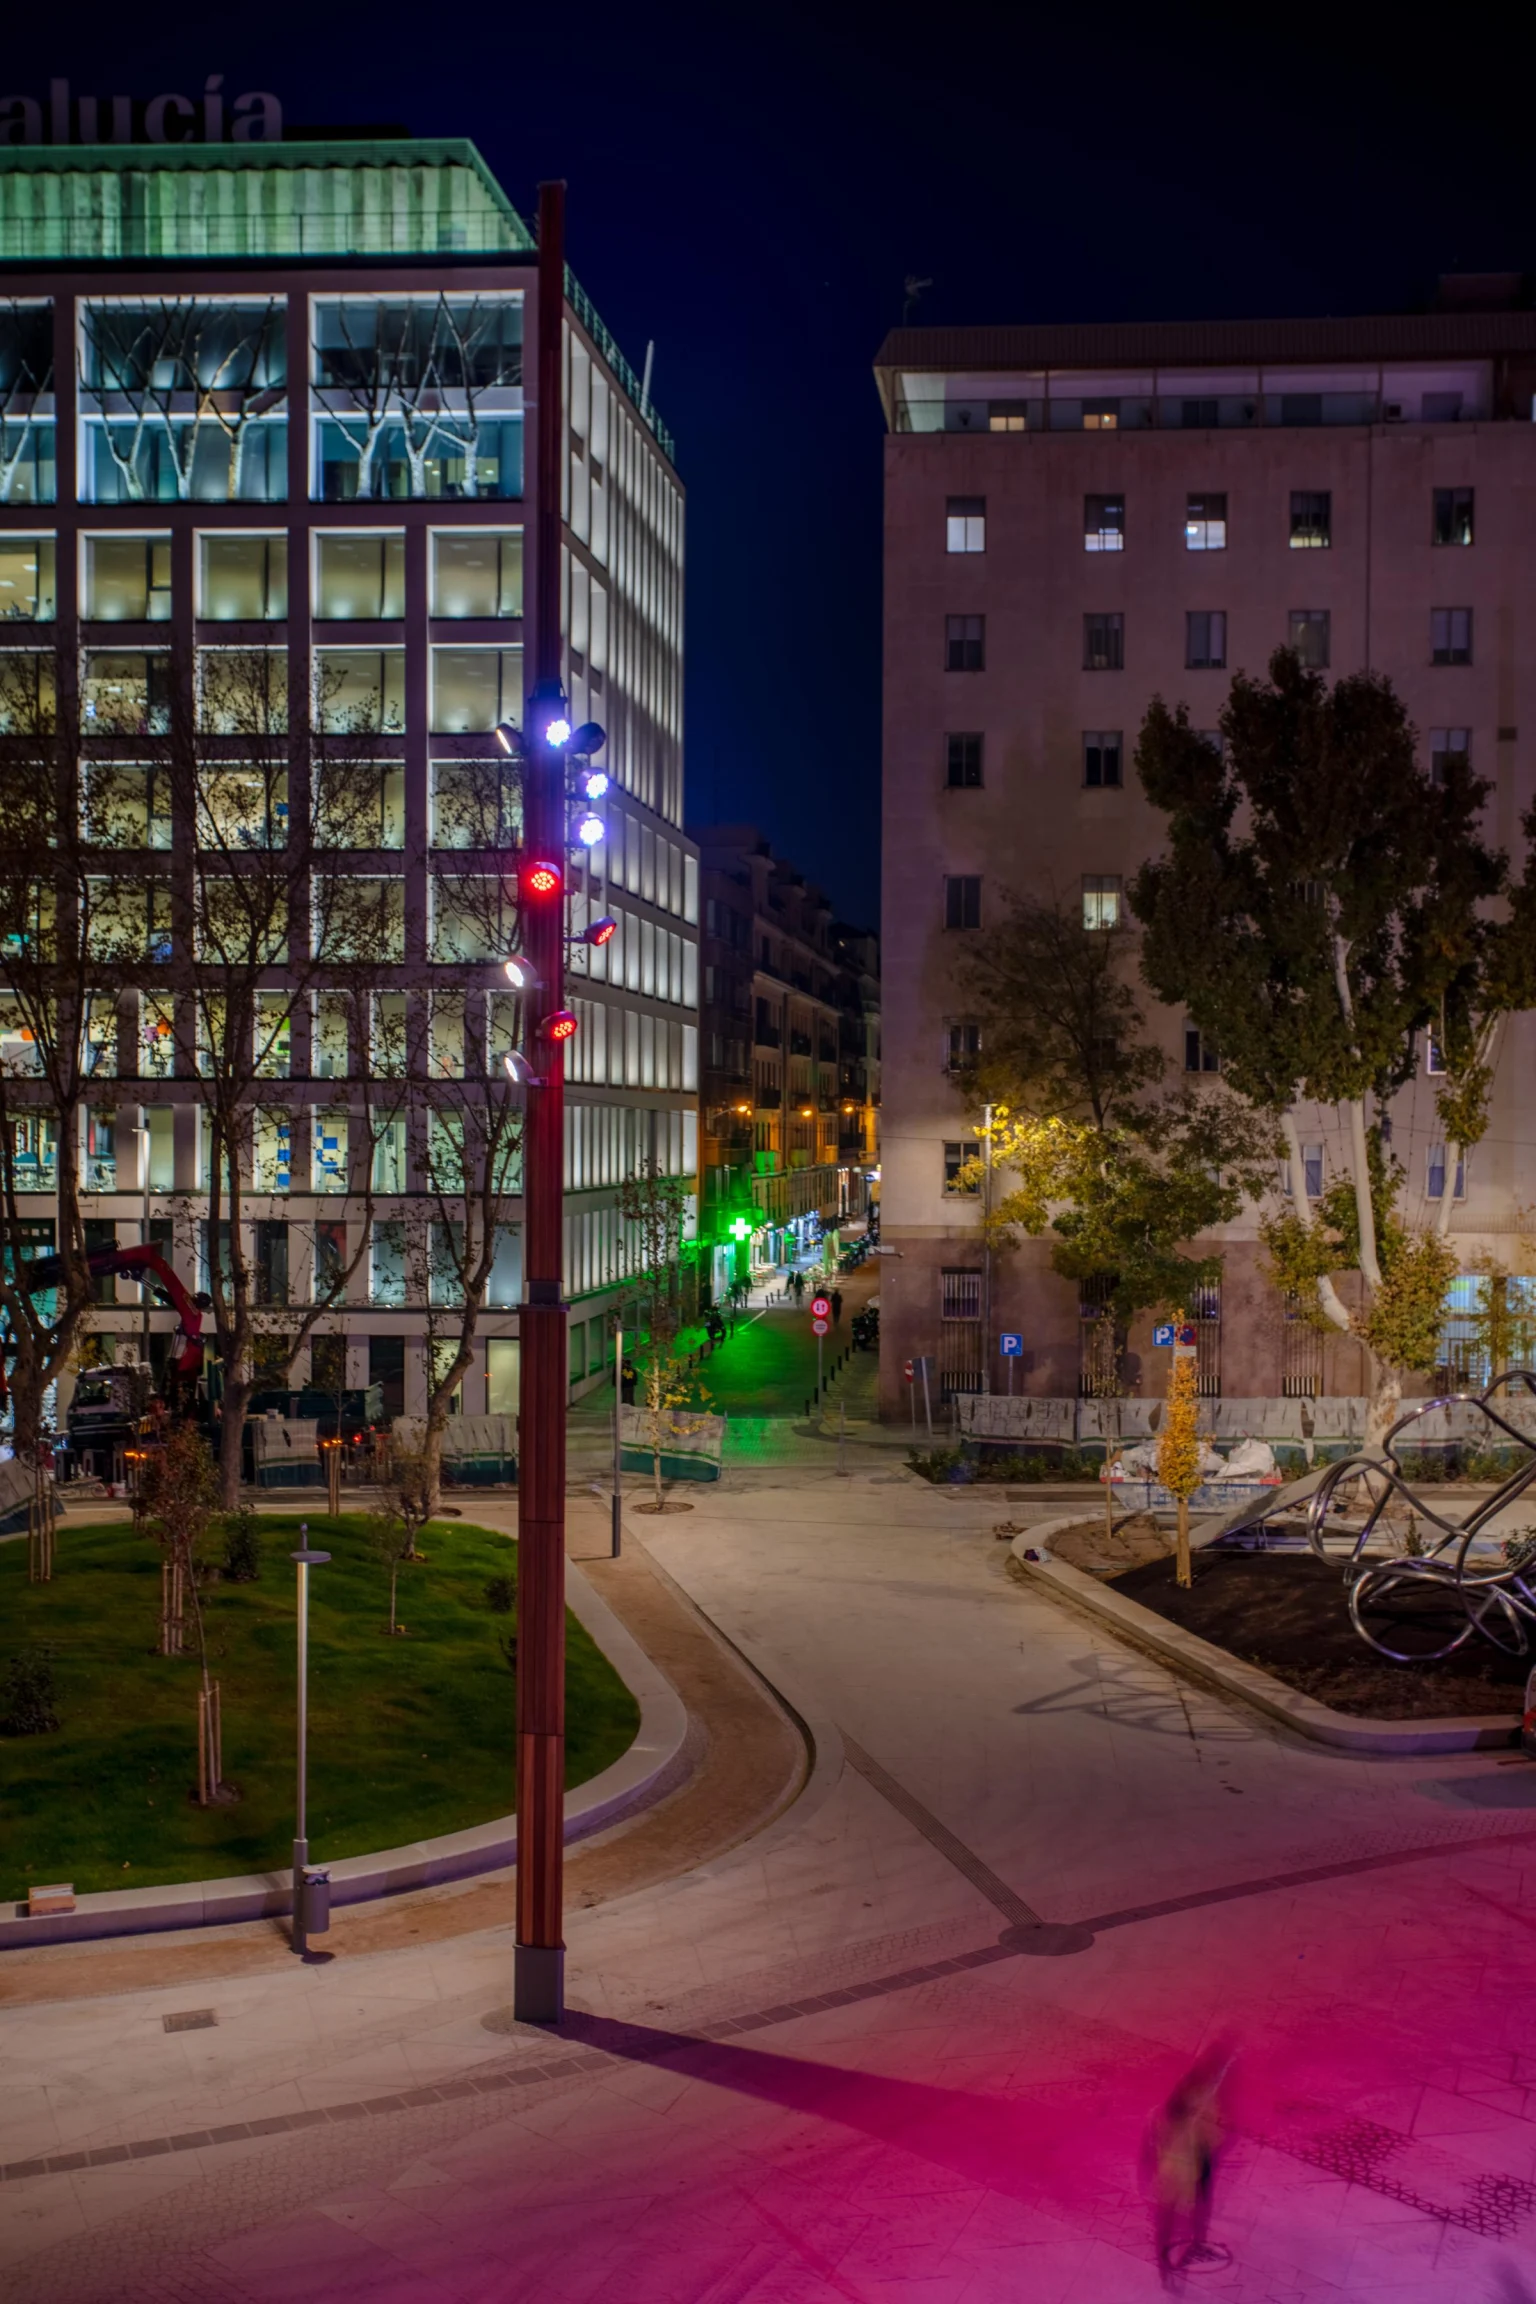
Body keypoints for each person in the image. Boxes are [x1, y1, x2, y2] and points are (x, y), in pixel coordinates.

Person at [1141, 2038, 1235, 2287]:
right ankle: (1168, 2265)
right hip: (1183, 2165)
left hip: (1193, 2160)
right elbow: (1154, 2140)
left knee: (1180, 2213)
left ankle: (1180, 2255)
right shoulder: (1190, 2100)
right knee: (1171, 2216)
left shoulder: (1200, 2093)